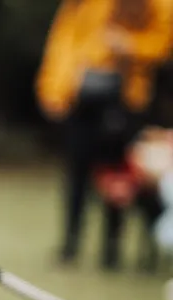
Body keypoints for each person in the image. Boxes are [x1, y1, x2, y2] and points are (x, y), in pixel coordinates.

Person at [36, 0, 173, 269]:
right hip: (81, 98)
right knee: (77, 172)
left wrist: (129, 45)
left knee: (119, 174)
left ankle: (111, 251)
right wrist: (53, 88)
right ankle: (70, 245)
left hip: (126, 99)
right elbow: (63, 42)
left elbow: (163, 44)